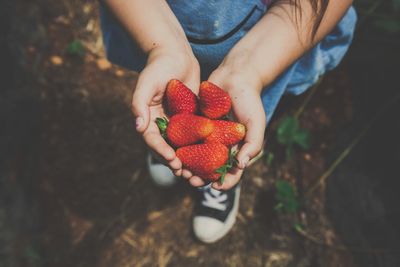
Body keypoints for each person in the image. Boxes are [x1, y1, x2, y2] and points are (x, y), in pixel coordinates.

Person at [99, 0, 356, 243]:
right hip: (152, 20)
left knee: (248, 110)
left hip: (273, 44)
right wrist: (163, 47)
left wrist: (251, 70)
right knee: (165, 94)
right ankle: (171, 144)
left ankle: (210, 162)